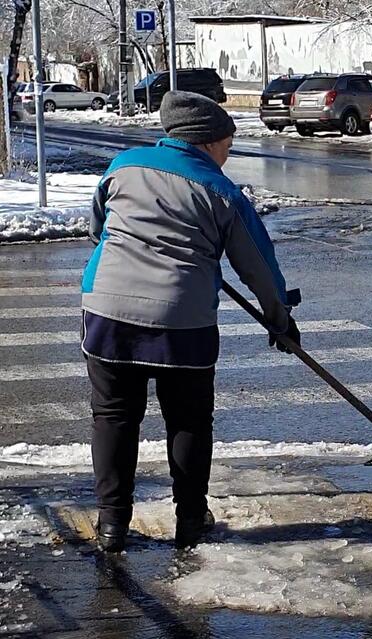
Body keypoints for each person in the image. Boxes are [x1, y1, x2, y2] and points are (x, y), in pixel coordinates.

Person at [80, 91, 300, 552]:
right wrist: (279, 320)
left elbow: (98, 227)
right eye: (227, 144)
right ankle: (190, 521)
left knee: (114, 417)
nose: (228, 153)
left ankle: (112, 524)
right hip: (182, 320)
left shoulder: (123, 164)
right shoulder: (221, 190)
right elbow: (258, 264)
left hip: (106, 310)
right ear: (206, 142)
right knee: (189, 421)